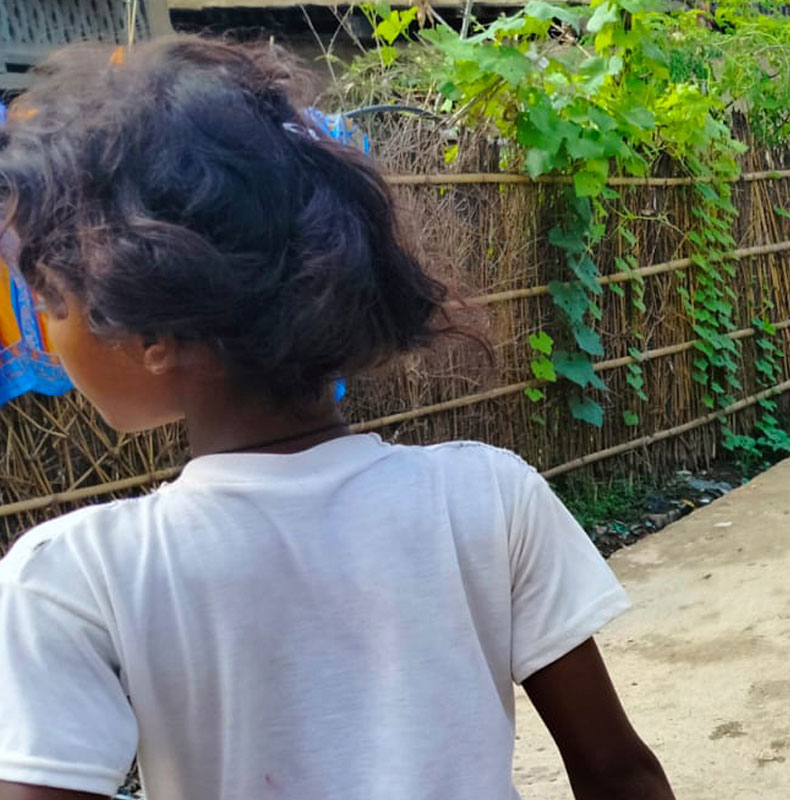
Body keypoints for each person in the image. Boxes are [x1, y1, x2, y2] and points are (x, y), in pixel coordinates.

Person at [0, 39, 674, 800]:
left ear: (153, 331)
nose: (50, 334)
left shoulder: (76, 576)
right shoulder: (486, 497)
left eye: (50, 300)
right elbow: (619, 772)